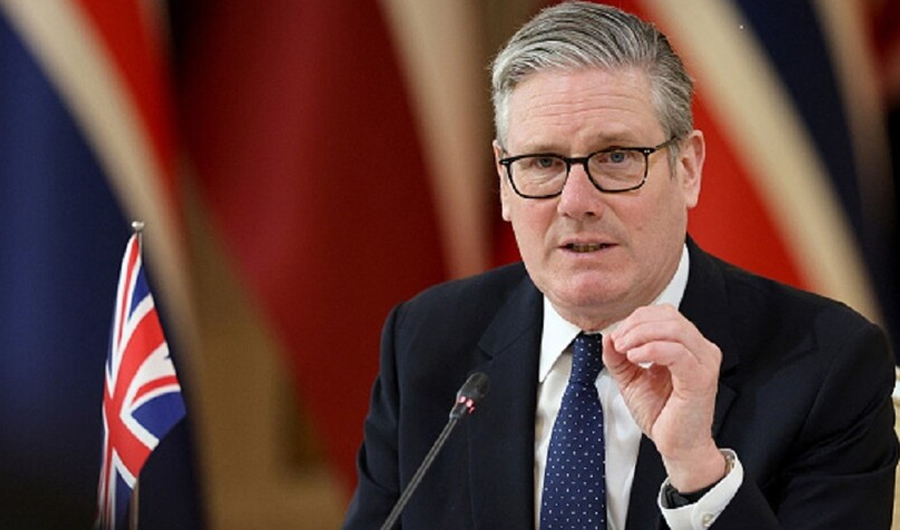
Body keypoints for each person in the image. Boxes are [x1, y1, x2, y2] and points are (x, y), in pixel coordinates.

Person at [341, 2, 899, 529]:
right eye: (542, 162)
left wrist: (700, 473)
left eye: (616, 157)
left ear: (687, 168)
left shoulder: (828, 364)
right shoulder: (425, 343)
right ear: (504, 181)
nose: (576, 201)